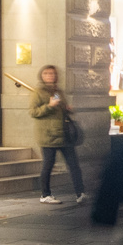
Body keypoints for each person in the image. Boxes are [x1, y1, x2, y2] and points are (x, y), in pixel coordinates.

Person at [31, 65, 84, 204]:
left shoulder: (57, 91)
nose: (50, 76)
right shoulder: (38, 92)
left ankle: (80, 193)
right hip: (48, 135)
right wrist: (49, 106)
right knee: (48, 165)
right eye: (47, 73)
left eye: (53, 73)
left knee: (73, 164)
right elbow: (33, 112)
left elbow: (60, 109)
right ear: (41, 76)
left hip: (64, 134)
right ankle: (45, 194)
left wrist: (66, 109)